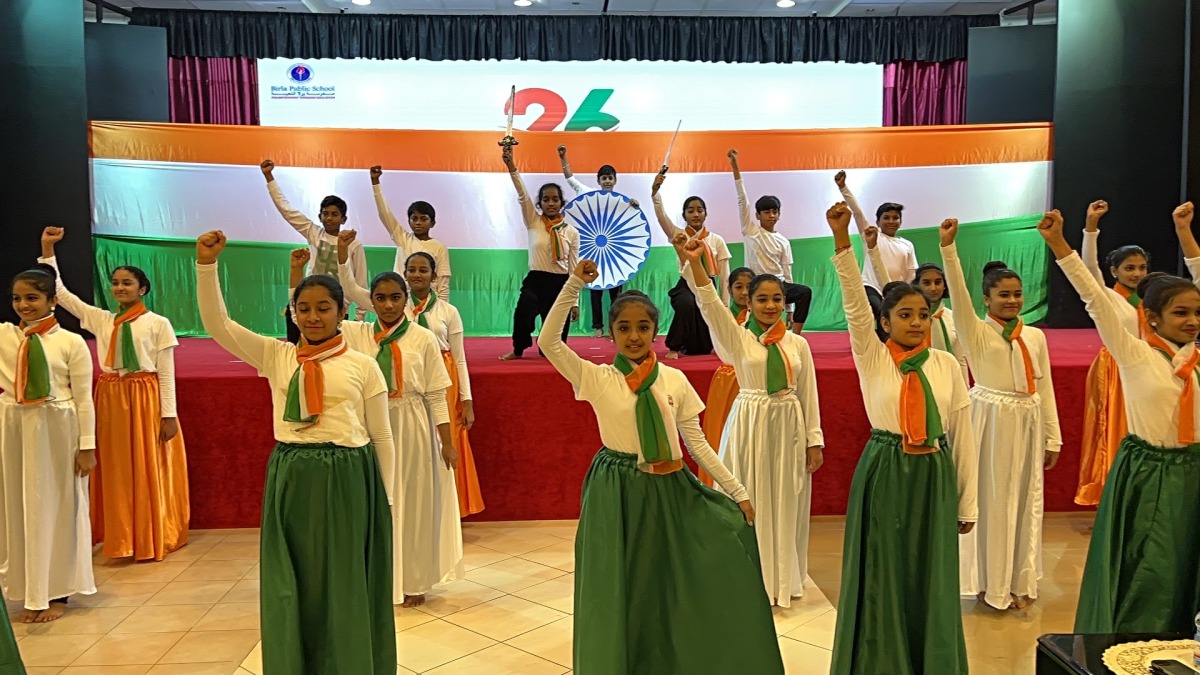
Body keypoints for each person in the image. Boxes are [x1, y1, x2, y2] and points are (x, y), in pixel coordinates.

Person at [537, 259, 783, 675]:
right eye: (624, 328)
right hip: (618, 488)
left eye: (643, 327)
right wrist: (574, 283)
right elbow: (549, 343)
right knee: (621, 582)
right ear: (612, 332)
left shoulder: (674, 380)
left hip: (671, 488)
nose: (634, 336)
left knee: (673, 579)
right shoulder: (597, 378)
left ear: (655, 329)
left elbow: (696, 444)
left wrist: (736, 491)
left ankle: (671, 656)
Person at [196, 231, 396, 674]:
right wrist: (206, 267)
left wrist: (386, 500)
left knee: (343, 582)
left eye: (324, 308)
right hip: (292, 475)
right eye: (303, 309)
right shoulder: (277, 356)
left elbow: (382, 435)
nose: (312, 317)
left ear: (343, 312)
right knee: (293, 581)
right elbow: (218, 325)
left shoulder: (363, 364)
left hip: (349, 476)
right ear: (292, 312)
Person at [824, 202, 978, 675]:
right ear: (885, 323)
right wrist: (840, 238)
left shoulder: (946, 365)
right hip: (887, 470)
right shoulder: (873, 357)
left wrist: (965, 503)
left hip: (932, 473)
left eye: (924, 315)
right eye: (905, 315)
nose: (916, 322)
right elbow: (854, 300)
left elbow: (962, 437)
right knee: (885, 573)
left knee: (929, 575)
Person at [1039, 205, 1200, 634]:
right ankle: (1137, 644)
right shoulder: (1135, 354)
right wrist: (1060, 244)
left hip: (1194, 472)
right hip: (1150, 474)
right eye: (1181, 313)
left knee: (1187, 567)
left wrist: (1184, 233)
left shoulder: (1196, 358)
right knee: (1150, 567)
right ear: (1151, 318)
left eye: (1196, 313)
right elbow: (1093, 296)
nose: (1192, 322)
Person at [316, 242, 464, 608]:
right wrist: (334, 260)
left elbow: (435, 395)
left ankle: (413, 579)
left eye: (394, 297)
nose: (387, 305)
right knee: (373, 504)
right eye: (380, 298)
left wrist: (446, 441)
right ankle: (374, 578)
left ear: (404, 299)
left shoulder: (423, 338)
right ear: (372, 301)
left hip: (413, 427)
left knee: (412, 504)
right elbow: (313, 316)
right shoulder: (355, 334)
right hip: (368, 427)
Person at [680, 233, 824, 607]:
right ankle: (747, 576)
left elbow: (808, 393)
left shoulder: (798, 345)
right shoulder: (738, 339)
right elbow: (710, 304)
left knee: (785, 498)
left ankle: (783, 579)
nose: (771, 305)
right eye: (762, 298)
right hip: (749, 425)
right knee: (749, 497)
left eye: (777, 299)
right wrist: (696, 263)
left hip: (788, 426)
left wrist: (814, 439)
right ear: (749, 301)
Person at [39, 227, 190, 563]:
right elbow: (62, 295)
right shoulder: (102, 319)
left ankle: (150, 532)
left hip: (144, 396)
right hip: (110, 397)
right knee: (118, 467)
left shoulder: (157, 323)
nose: (119, 288)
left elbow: (165, 371)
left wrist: (169, 414)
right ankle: (120, 534)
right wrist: (48, 250)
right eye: (116, 282)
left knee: (146, 464)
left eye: (127, 283)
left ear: (143, 289)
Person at [940, 219, 1061, 611]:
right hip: (990, 420)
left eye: (1017, 294)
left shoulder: (1035, 336)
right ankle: (987, 584)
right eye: (1003, 295)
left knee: (1025, 500)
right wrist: (948, 250)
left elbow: (1044, 389)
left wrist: (1052, 435)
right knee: (992, 500)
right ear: (986, 299)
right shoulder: (974, 332)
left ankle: (1018, 580)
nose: (1011, 301)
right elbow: (956, 293)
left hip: (1026, 420)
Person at [339, 233, 485, 518]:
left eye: (423, 270)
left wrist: (466, 399)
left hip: (444, 381)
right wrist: (343, 254)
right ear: (403, 275)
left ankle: (443, 509)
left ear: (434, 277)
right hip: (403, 381)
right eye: (411, 269)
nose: (417, 274)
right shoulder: (395, 304)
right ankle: (399, 507)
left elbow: (461, 357)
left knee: (445, 444)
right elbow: (350, 287)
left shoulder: (448, 311)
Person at [0, 265, 97, 627]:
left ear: (52, 301)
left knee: (56, 504)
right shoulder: (6, 337)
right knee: (18, 504)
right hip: (15, 426)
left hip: (57, 427)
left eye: (32, 298)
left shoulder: (70, 342)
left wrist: (86, 445)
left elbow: (84, 399)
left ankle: (56, 591)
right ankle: (27, 588)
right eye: (17, 298)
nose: (23, 305)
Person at [260, 158, 369, 322]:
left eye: (334, 214)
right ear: (320, 216)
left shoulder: (353, 244)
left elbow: (360, 282)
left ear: (344, 219)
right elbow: (287, 210)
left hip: (338, 308)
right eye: (325, 214)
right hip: (311, 303)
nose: (329, 218)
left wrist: (359, 318)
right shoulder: (313, 233)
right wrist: (269, 177)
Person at [499, 144, 580, 360]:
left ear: (562, 203)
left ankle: (550, 348)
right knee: (523, 309)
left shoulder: (571, 232)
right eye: (546, 199)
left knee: (551, 350)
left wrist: (574, 301)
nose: (551, 203)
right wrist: (511, 165)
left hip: (560, 284)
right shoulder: (533, 222)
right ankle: (518, 349)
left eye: (555, 199)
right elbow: (522, 194)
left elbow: (573, 268)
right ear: (540, 203)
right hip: (536, 280)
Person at [864, 226, 969, 385]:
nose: (933, 288)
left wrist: (965, 390)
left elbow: (960, 359)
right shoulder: (906, 317)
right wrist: (873, 249)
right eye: (926, 283)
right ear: (917, 285)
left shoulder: (953, 318)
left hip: (945, 384)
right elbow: (882, 275)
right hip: (908, 382)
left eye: (938, 282)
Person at [558, 145, 640, 338]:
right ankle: (598, 326)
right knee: (595, 289)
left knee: (615, 292)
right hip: (592, 252)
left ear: (615, 180)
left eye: (610, 178)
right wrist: (563, 157)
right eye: (604, 178)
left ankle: (615, 327)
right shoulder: (589, 193)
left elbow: (632, 221)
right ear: (598, 181)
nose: (607, 181)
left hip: (613, 254)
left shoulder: (622, 201)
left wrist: (635, 204)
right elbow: (570, 179)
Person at [728, 149, 813, 334]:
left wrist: (789, 310)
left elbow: (787, 273)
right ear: (758, 215)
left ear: (779, 214)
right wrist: (735, 167)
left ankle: (796, 336)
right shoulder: (752, 231)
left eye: (775, 212)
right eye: (767, 212)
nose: (771, 215)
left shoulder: (783, 241)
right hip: (756, 283)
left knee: (805, 292)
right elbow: (742, 201)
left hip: (778, 284)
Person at [651, 172, 731, 359]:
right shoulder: (678, 235)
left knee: (702, 347)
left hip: (707, 284)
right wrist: (655, 192)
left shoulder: (716, 240)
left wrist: (724, 303)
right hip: (686, 283)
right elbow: (661, 215)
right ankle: (674, 346)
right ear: (684, 215)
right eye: (690, 210)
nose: (695, 214)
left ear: (705, 213)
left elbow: (725, 274)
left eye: (700, 210)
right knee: (685, 303)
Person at [837, 170, 918, 341]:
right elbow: (857, 213)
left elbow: (911, 273)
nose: (891, 221)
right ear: (878, 222)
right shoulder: (872, 236)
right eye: (886, 217)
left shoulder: (907, 245)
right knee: (882, 311)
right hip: (871, 287)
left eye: (895, 218)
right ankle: (883, 347)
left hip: (896, 291)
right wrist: (843, 187)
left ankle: (894, 345)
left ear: (900, 222)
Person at [698, 266, 754, 487]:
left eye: (749, 287)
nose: (744, 292)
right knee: (722, 434)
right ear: (729, 290)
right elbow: (701, 293)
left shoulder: (761, 317)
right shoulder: (721, 315)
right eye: (738, 287)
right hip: (728, 381)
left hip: (753, 380)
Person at [369, 165, 452, 302]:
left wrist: (442, 310)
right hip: (402, 301)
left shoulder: (439, 247)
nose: (418, 222)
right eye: (414, 219)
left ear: (432, 223)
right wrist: (375, 183)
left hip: (429, 303)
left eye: (423, 219)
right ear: (409, 221)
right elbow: (385, 213)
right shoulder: (402, 238)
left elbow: (443, 285)